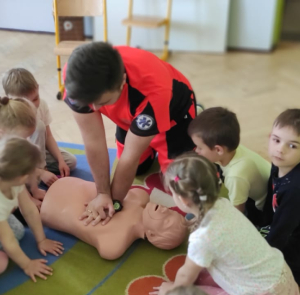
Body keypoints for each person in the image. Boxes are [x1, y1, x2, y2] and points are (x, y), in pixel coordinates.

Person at [63, 42, 197, 226]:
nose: (93, 109)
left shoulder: (155, 89)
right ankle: (145, 137)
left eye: (103, 101)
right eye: (89, 103)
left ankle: (194, 138)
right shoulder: (75, 79)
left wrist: (115, 204)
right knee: (139, 169)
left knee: (181, 184)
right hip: (131, 117)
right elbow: (93, 142)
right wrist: (102, 193)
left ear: (122, 81)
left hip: (175, 115)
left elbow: (130, 157)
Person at [150, 153, 299, 295]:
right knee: (203, 273)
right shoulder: (223, 203)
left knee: (187, 294)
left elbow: (185, 275)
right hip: (281, 275)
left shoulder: (202, 238)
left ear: (183, 199)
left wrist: (171, 291)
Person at [40, 177, 188, 260]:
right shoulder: (140, 197)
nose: (164, 209)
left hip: (47, 210)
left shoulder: (115, 244)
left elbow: (106, 249)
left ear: (151, 235)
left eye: (166, 220)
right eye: (170, 211)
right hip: (64, 183)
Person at [188, 107, 270, 225]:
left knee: (196, 215)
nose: (196, 151)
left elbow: (238, 211)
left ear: (218, 149)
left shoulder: (235, 176)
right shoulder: (231, 149)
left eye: (200, 147)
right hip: (261, 192)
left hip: (259, 211)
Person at [0, 136, 64, 281]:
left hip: (3, 217)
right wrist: (27, 264)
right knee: (3, 262)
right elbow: (8, 241)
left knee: (18, 232)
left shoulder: (14, 180)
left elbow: (29, 210)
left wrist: (41, 240)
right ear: (24, 177)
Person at [2, 68, 77, 186]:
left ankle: (39, 171)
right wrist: (40, 172)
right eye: (23, 103)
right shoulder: (7, 117)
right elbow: (8, 160)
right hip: (15, 159)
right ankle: (38, 173)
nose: (32, 106)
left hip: (37, 153)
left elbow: (49, 137)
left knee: (70, 162)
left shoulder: (42, 105)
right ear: (10, 98)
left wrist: (60, 160)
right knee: (38, 126)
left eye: (35, 99)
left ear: (37, 88)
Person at [260, 109, 300, 285]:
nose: (280, 150)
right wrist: (264, 223)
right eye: (276, 140)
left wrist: (262, 258)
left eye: (292, 145)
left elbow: (281, 233)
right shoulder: (279, 164)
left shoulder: (295, 189)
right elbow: (271, 198)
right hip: (285, 228)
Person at [0, 96, 45, 210]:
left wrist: (35, 191)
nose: (26, 140)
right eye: (23, 137)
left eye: (27, 137)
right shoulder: (4, 152)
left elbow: (31, 167)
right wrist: (29, 200)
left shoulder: (16, 140)